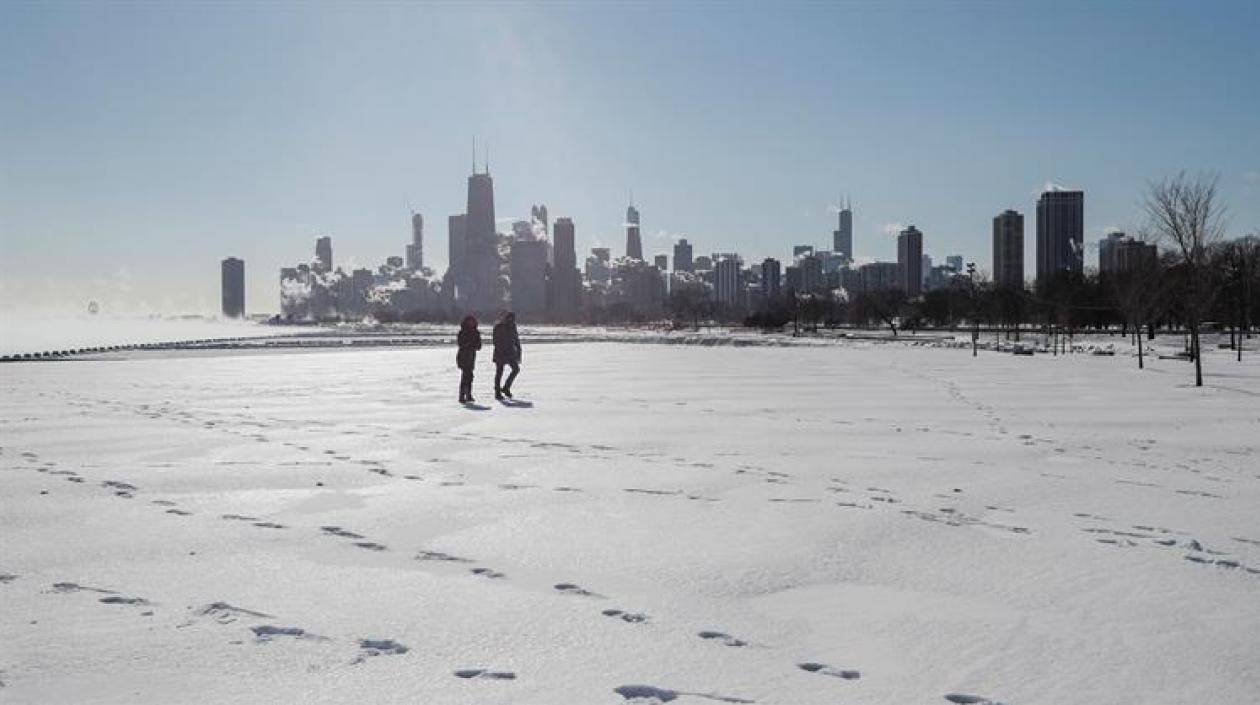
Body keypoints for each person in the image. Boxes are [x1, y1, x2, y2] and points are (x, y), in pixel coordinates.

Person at [492, 311, 521, 400]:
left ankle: (506, 387)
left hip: (511, 353)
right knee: (499, 372)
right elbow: (495, 341)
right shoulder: (499, 326)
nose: (511, 320)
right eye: (509, 318)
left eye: (512, 318)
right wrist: (502, 350)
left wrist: (519, 352)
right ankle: (497, 392)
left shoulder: (513, 327)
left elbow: (516, 339)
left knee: (516, 369)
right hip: (500, 353)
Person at [456, 315, 481, 404]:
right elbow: (460, 344)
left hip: (471, 356)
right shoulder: (462, 332)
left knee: (470, 376)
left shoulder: (476, 332)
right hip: (463, 356)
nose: (471, 323)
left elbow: (479, 346)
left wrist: (474, 344)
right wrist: (469, 344)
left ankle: (468, 394)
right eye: (469, 322)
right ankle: (462, 396)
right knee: (465, 375)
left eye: (472, 322)